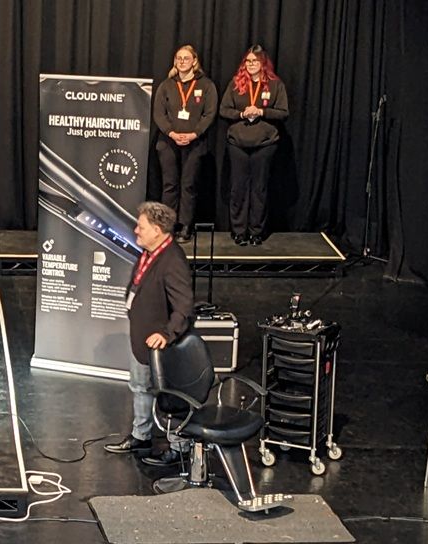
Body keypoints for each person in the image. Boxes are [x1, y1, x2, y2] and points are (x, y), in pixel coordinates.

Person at [103, 201, 194, 467]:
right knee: (140, 388)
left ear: (157, 229)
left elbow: (184, 306)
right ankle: (141, 436)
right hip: (141, 340)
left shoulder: (172, 261)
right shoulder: (150, 253)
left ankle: (179, 447)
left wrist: (167, 334)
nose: (136, 230)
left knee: (171, 396)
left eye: (141, 227)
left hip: (162, 346)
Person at [220, 45, 289, 247]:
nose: (251, 65)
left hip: (265, 144)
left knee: (259, 189)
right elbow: (224, 110)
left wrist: (261, 112)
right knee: (238, 188)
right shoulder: (236, 84)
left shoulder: (275, 85)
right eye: (248, 61)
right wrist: (240, 114)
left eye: (255, 61)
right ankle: (239, 231)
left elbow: (284, 112)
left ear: (263, 64)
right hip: (238, 143)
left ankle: (256, 231)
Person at [152, 45, 217, 242]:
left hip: (194, 143)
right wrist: (171, 132)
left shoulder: (206, 86)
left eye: (186, 58)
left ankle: (185, 226)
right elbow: (158, 113)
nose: (182, 61)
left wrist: (194, 133)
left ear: (194, 61)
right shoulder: (167, 85)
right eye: (178, 58)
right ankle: (168, 226)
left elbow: (209, 113)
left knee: (188, 185)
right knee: (170, 185)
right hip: (168, 141)